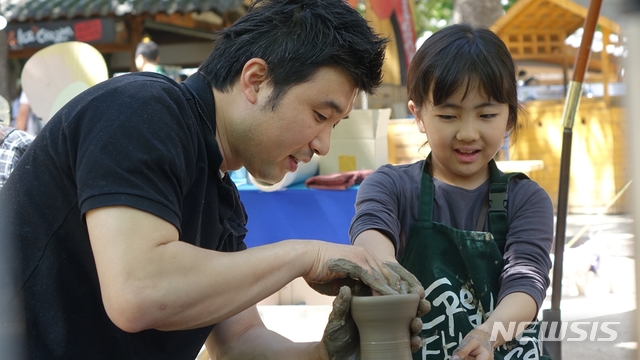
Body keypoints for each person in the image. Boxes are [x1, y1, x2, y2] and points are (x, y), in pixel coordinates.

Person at [0, 0, 429, 359]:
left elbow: (240, 343)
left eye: (335, 124)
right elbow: (138, 290)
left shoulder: (220, 197)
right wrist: (307, 254)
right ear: (256, 80)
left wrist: (326, 353)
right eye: (320, 115)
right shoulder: (140, 110)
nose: (322, 145)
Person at [349, 24, 554, 360]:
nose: (468, 133)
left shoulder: (527, 199)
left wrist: (488, 335)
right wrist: (384, 276)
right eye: (448, 115)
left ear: (509, 118)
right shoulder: (390, 186)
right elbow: (371, 236)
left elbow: (526, 281)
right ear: (418, 115)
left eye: (486, 114)